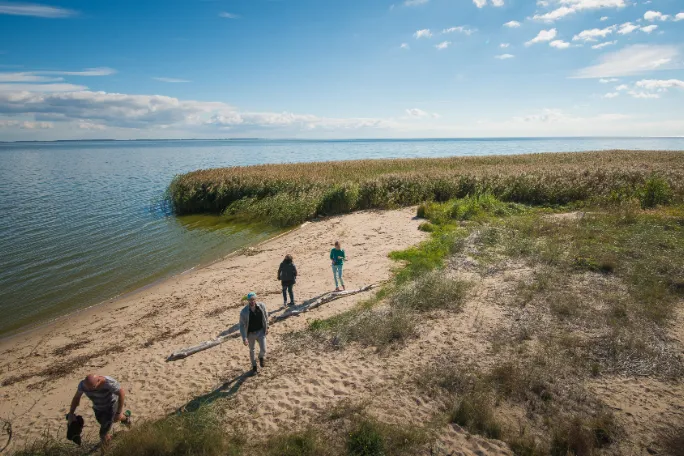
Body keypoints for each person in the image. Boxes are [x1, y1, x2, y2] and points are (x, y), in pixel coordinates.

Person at [67, 374, 126, 448]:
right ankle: (125, 418)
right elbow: (76, 398)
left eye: (93, 388)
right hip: (98, 408)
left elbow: (121, 393)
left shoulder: (109, 383)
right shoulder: (82, 385)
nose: (90, 390)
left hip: (111, 406)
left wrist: (118, 412)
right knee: (108, 421)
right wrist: (71, 413)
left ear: (99, 381)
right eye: (88, 388)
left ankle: (106, 449)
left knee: (103, 432)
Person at [239, 292, 269, 374]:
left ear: (255, 299)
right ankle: (254, 367)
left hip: (261, 331)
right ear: (248, 300)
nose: (252, 301)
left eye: (253, 299)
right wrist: (244, 338)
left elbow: (266, 316)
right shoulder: (244, 312)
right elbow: (241, 326)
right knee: (252, 350)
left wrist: (267, 327)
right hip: (251, 334)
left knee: (263, 349)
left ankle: (261, 357)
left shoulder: (261, 306)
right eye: (250, 300)